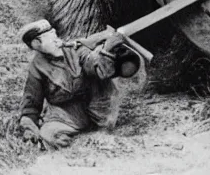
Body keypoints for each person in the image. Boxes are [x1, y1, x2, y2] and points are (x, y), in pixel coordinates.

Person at [18, 19, 141, 149]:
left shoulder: (76, 49)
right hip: (66, 113)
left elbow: (96, 68)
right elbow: (31, 101)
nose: (55, 40)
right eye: (48, 38)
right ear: (37, 45)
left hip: (98, 105)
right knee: (48, 136)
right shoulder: (37, 67)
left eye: (54, 35)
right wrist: (29, 126)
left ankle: (99, 127)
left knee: (104, 126)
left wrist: (107, 50)